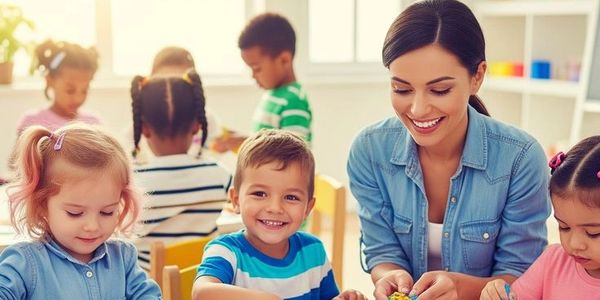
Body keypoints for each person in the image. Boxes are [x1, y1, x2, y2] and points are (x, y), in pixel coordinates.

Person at [346, 0, 552, 299]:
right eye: (402, 89)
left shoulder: (520, 158)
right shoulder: (369, 151)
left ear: (477, 76)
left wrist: (461, 288)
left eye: (440, 90)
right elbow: (381, 250)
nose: (417, 109)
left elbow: (520, 277)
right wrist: (390, 276)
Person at [192, 129, 364, 300]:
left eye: (291, 197)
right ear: (236, 200)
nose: (275, 208)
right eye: (259, 194)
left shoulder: (313, 250)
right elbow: (201, 293)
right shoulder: (226, 251)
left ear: (307, 208)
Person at [0, 124, 161, 299]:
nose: (92, 226)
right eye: (75, 213)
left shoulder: (123, 258)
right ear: (41, 206)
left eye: (107, 212)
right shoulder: (24, 263)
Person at [130, 69, 232, 270]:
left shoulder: (131, 181)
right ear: (196, 125)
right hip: (201, 284)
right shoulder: (220, 175)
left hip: (144, 290)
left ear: (144, 128)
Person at [480, 136, 600, 300]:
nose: (573, 244)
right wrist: (498, 294)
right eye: (564, 227)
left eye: (593, 233)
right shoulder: (553, 261)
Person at [210, 13, 312, 153]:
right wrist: (241, 141)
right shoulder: (272, 96)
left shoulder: (294, 101)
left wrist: (247, 144)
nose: (253, 75)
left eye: (256, 68)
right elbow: (269, 144)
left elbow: (292, 156)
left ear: (284, 60)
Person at [127, 46, 224, 164]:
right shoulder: (136, 128)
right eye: (163, 81)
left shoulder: (209, 122)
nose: (170, 88)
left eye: (179, 82)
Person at [16, 39, 100, 134]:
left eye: (84, 90)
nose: (78, 98)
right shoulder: (31, 123)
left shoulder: (94, 124)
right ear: (50, 80)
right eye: (70, 90)